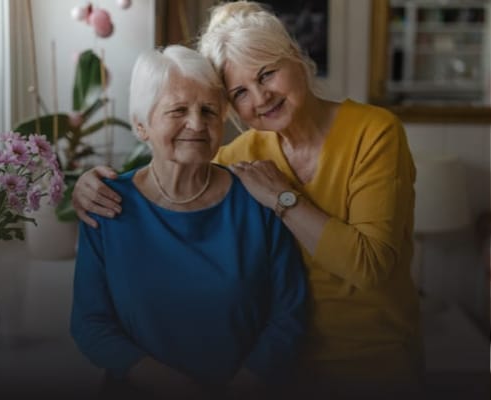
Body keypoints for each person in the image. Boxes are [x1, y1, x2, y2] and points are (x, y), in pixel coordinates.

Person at [72, 1, 422, 397]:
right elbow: (180, 170)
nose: (260, 97)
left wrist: (284, 199)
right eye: (240, 91)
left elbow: (369, 266)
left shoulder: (373, 133)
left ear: (296, 58)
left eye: (267, 73)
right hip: (284, 371)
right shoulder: (239, 158)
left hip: (367, 362)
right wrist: (86, 186)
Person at [70, 44, 307, 400]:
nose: (197, 124)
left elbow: (291, 313)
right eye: (178, 110)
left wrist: (243, 385)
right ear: (141, 125)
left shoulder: (257, 198)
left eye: (209, 111)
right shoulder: (107, 203)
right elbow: (90, 324)